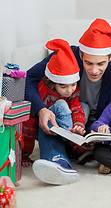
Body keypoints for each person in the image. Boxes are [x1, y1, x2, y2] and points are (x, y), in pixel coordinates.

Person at [24, 18, 111, 185]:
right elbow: (28, 79)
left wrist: (98, 137)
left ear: (110, 56)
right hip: (62, 117)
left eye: (101, 64)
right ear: (81, 54)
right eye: (88, 62)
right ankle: (57, 161)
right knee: (55, 111)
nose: (94, 70)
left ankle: (81, 150)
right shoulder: (65, 56)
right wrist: (41, 109)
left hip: (90, 124)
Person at [24, 39, 86, 185]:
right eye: (64, 86)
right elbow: (28, 125)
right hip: (43, 126)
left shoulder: (72, 91)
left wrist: (78, 125)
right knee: (60, 104)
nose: (70, 90)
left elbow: (77, 108)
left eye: (73, 84)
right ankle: (57, 158)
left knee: (67, 105)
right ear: (52, 82)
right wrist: (25, 155)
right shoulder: (41, 92)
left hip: (64, 129)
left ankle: (69, 149)